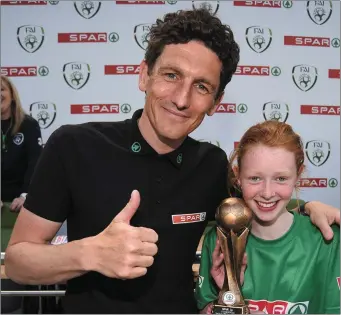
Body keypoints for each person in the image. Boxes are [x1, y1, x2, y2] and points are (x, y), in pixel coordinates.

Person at [4, 9, 340, 314]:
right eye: (171, 75)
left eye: (202, 86)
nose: (181, 99)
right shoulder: (74, 146)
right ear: (144, 75)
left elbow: (259, 199)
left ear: (216, 102)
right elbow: (18, 261)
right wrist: (89, 254)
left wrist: (308, 209)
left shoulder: (210, 164)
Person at [195, 121, 340, 314]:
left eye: (281, 178)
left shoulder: (327, 239)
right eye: (255, 178)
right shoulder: (219, 238)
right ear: (238, 176)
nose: (267, 192)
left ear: (298, 175)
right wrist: (229, 294)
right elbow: (207, 308)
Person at [1, 75, 43, 212]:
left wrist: (25, 195)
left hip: (22, 200)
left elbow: (35, 163)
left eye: (2, 89)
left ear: (12, 95)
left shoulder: (29, 125)